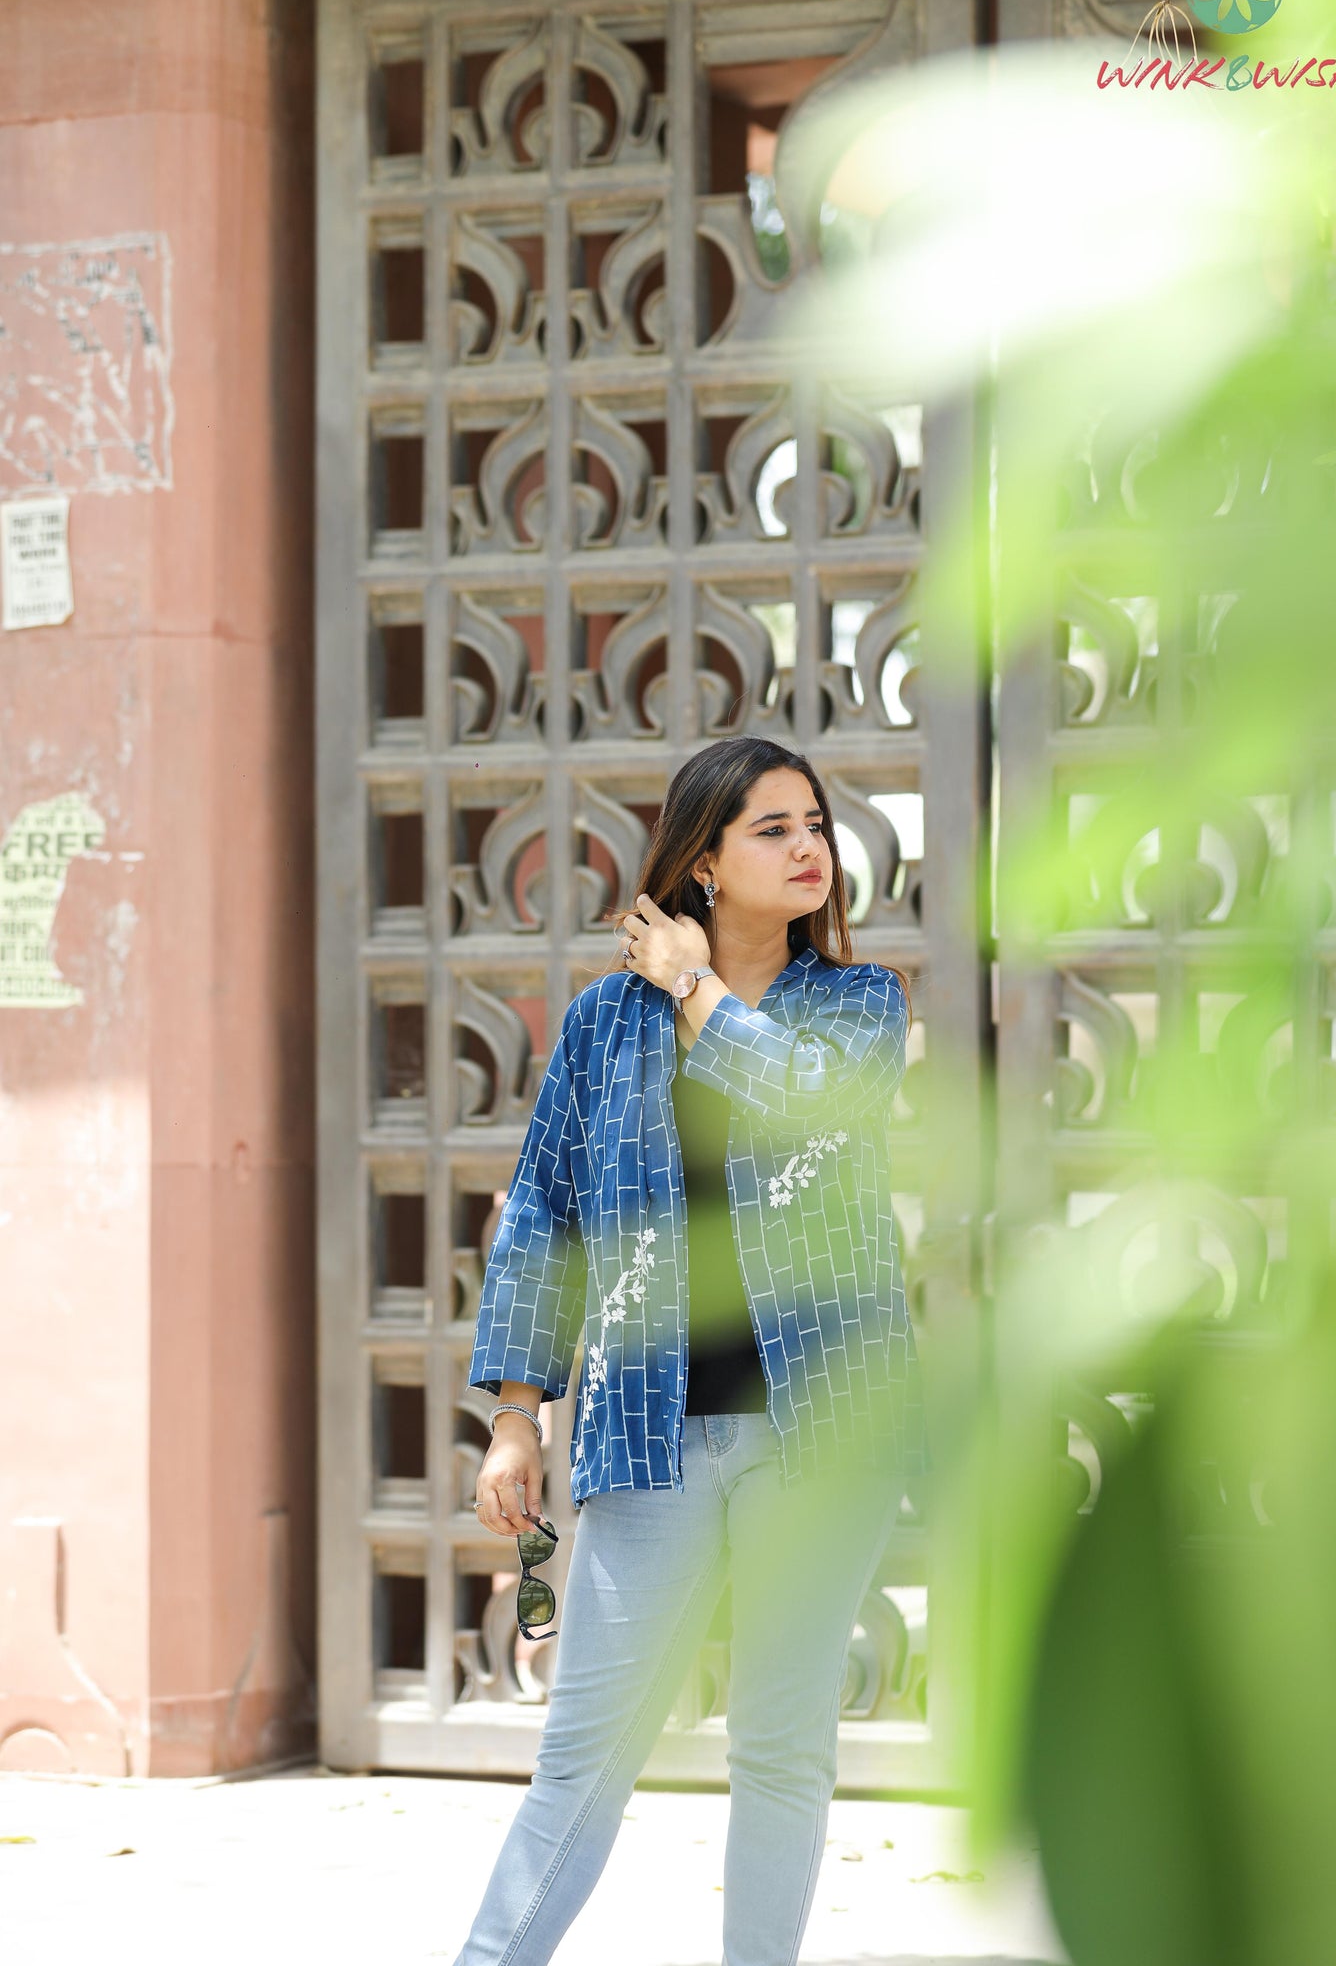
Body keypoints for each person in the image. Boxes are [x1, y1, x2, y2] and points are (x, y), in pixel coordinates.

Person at [455, 734, 927, 1966]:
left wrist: (695, 987)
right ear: (704, 860)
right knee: (585, 1752)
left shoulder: (858, 1005)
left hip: (823, 1426)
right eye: (771, 827)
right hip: (643, 1427)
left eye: (813, 822)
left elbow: (807, 1099)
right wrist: (513, 1412)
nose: (808, 844)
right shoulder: (605, 1025)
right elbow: (542, 1214)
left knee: (778, 1743)